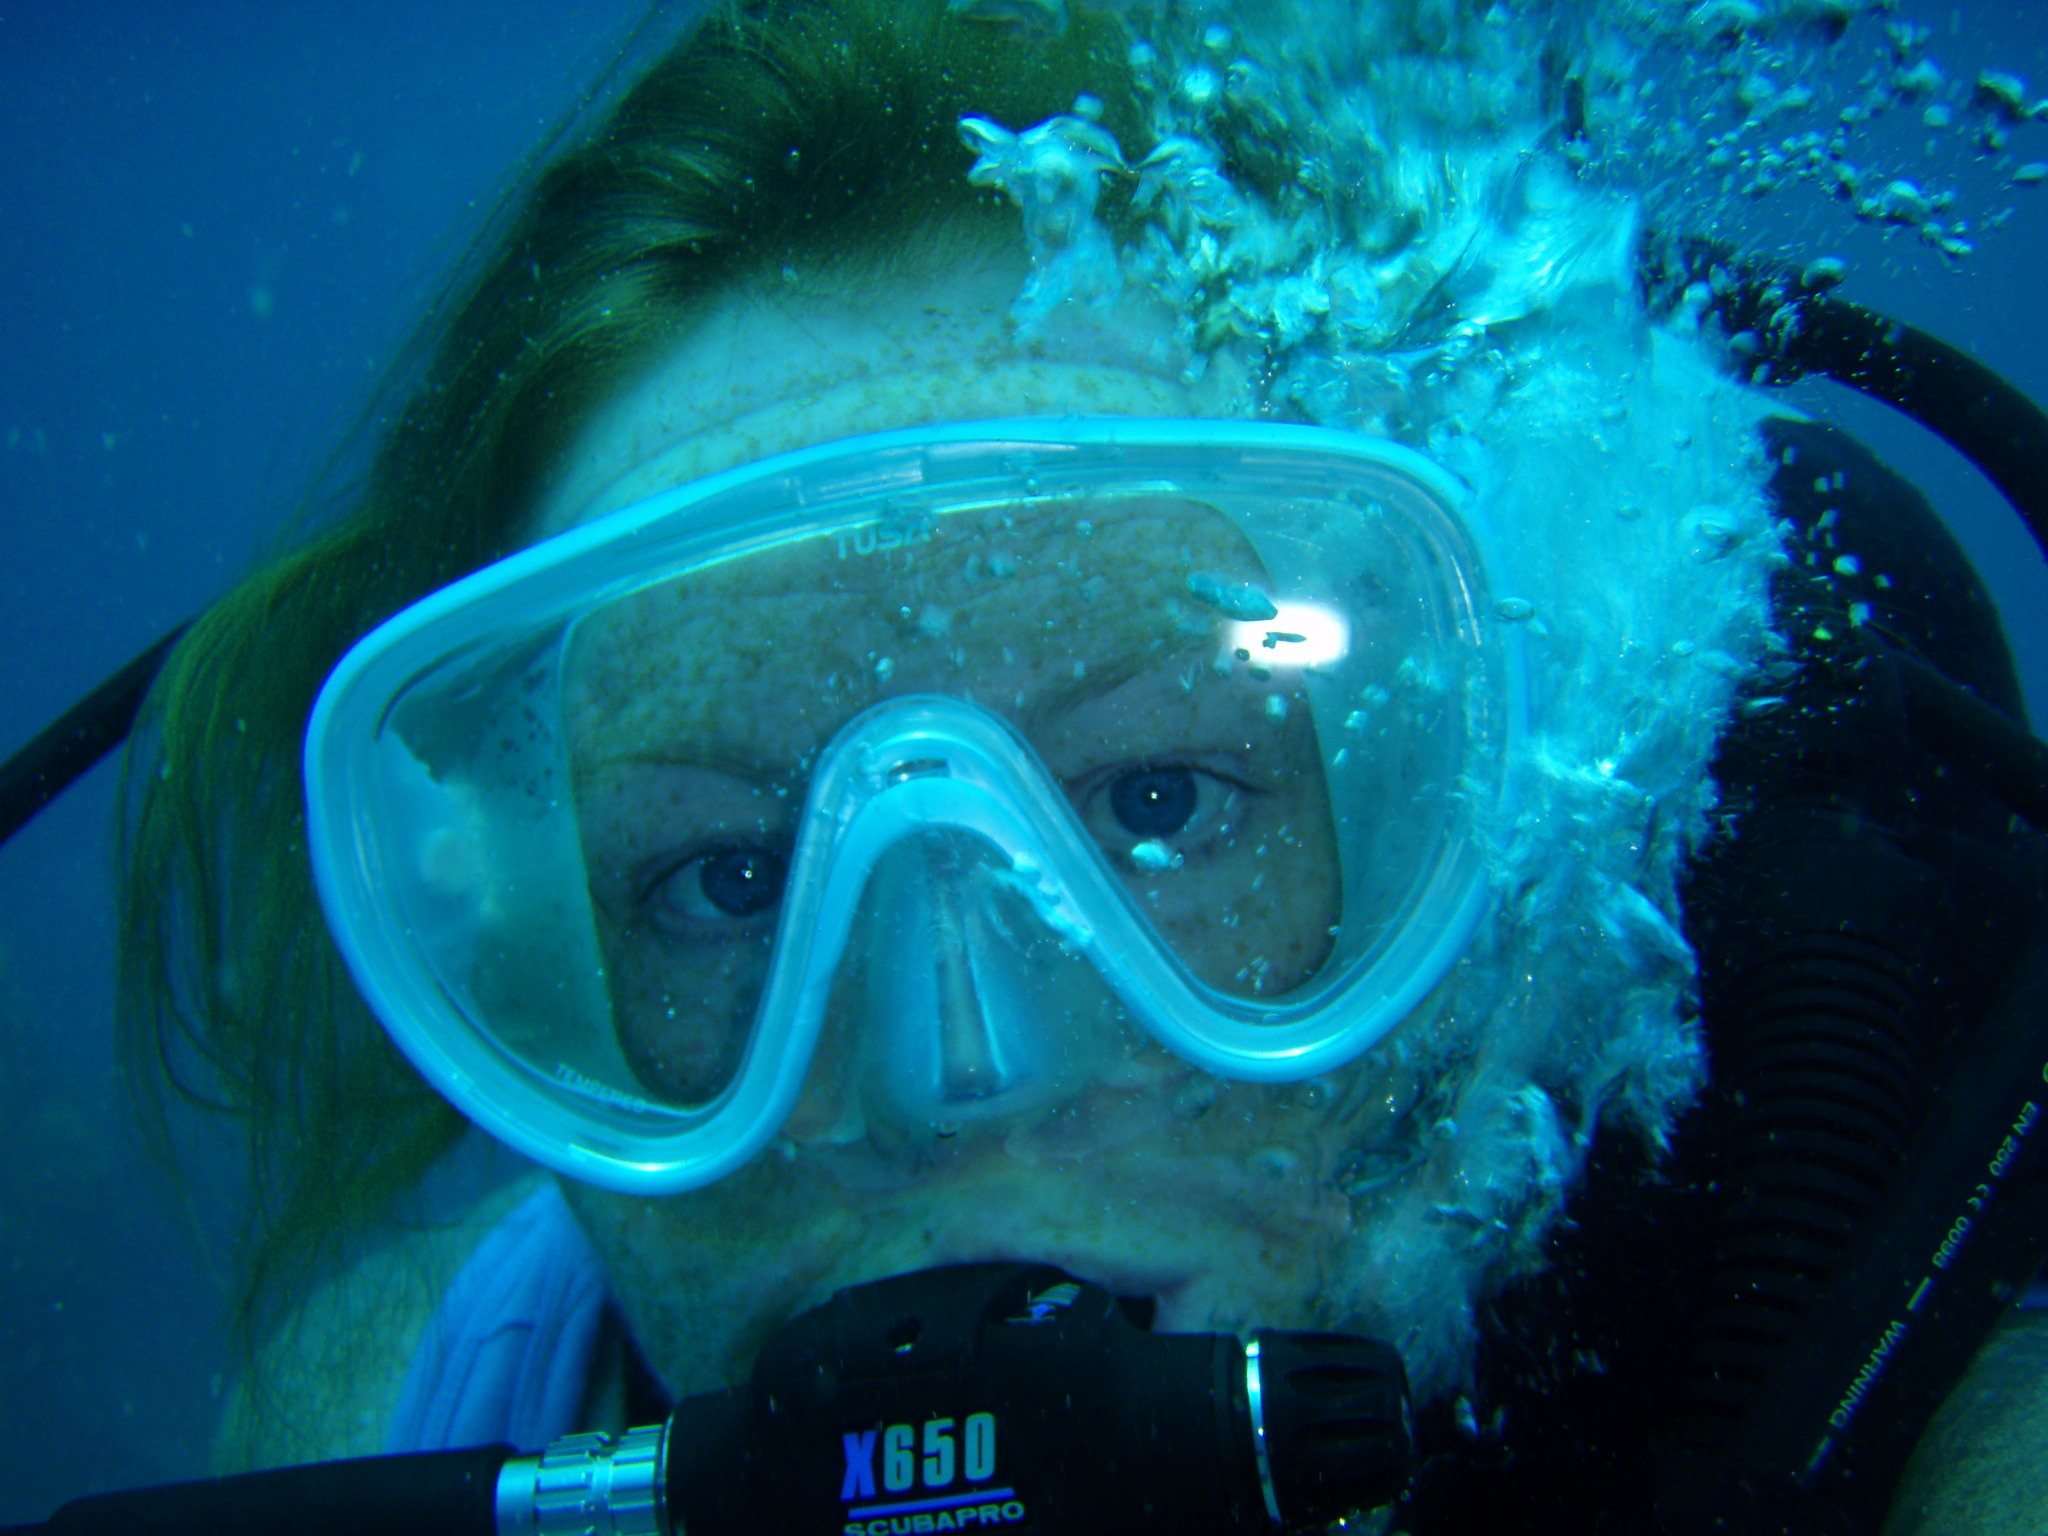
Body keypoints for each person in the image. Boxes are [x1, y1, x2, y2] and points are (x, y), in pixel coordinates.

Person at [110, 0, 2048, 1531]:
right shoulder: (400, 1413)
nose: (964, 1082)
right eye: (729, 876)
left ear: (1434, 826)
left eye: (1155, 801)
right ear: (542, 964)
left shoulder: (1922, 1411)